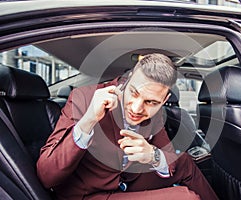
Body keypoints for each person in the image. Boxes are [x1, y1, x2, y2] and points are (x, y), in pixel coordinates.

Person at [37, 53, 218, 200]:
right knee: (186, 198)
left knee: (183, 162)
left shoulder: (156, 114)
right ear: (127, 79)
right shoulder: (84, 98)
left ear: (163, 100)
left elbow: (166, 154)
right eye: (134, 93)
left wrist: (153, 155)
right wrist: (88, 121)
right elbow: (47, 177)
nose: (137, 108)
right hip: (88, 194)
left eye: (151, 102)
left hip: (126, 182)